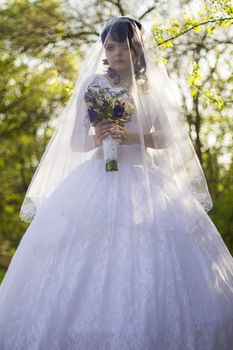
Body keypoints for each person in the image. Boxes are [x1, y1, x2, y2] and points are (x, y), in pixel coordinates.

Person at [0, 15, 233, 350]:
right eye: (110, 46)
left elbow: (166, 139)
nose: (116, 52)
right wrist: (99, 139)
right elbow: (75, 144)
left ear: (136, 50)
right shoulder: (94, 85)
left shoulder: (152, 88)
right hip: (94, 179)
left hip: (145, 184)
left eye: (122, 45)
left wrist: (129, 136)